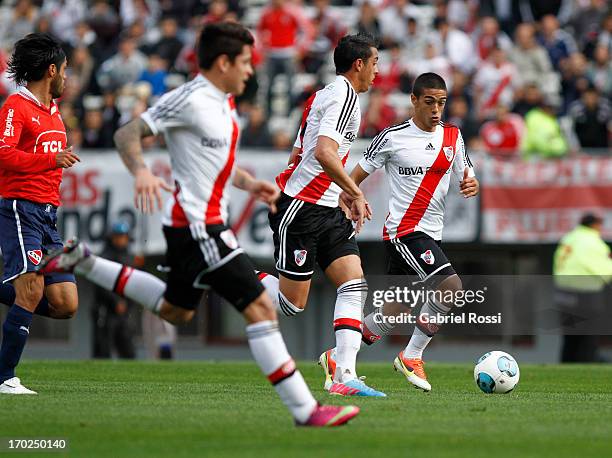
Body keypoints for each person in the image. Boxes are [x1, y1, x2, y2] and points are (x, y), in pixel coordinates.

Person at [39, 22, 358, 427]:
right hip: (199, 226)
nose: (249, 70)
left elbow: (213, 163)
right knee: (261, 307)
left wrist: (248, 183)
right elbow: (126, 134)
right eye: (244, 62)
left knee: (175, 310)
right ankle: (305, 410)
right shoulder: (189, 98)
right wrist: (140, 171)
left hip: (196, 226)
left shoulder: (224, 102)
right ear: (222, 62)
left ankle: (85, 263)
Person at [319, 73, 479, 392]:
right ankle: (412, 355)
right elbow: (357, 173)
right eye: (430, 102)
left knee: (396, 311)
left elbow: (467, 172)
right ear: (414, 100)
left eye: (442, 103)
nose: (436, 110)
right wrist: (348, 195)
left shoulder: (453, 137)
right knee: (450, 286)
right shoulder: (393, 137)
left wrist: (471, 182)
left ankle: (336, 356)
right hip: (404, 232)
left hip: (432, 233)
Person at [260, 33, 385, 397]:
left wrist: (340, 191)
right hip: (302, 209)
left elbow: (301, 152)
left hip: (326, 207)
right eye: (375, 63)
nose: (378, 72)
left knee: (354, 282)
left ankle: (344, 373)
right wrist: (356, 190)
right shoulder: (343, 96)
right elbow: (324, 153)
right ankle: (230, 276)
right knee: (291, 305)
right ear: (358, 64)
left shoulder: (325, 95)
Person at [0, 33, 81, 395]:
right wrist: (50, 159)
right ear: (52, 70)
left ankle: (10, 284)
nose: (68, 76)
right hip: (19, 208)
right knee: (31, 290)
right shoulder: (15, 107)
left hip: (48, 215)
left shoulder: (52, 110)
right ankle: (5, 377)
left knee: (65, 303)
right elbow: (2, 154)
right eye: (65, 70)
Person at [553, 214, 612, 363]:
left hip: (563, 294)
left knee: (570, 338)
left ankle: (565, 370)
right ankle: (587, 365)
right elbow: (603, 269)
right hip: (585, 294)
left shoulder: (569, 238)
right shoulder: (591, 241)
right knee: (588, 338)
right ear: (594, 225)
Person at [92, 221, 136, 360]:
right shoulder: (105, 257)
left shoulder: (129, 257)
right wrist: (116, 301)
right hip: (105, 309)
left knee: (127, 348)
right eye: (118, 236)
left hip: (125, 311)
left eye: (123, 236)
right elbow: (101, 283)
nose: (121, 240)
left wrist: (127, 302)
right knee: (103, 348)